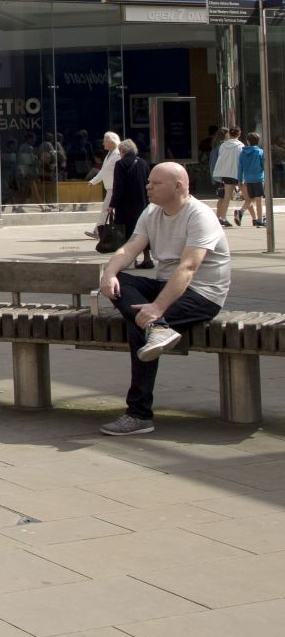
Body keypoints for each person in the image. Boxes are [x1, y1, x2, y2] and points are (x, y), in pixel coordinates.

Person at [98, 162, 230, 436]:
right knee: (122, 284)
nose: (148, 186)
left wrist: (158, 308)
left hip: (202, 294)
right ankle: (158, 329)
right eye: (149, 182)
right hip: (165, 286)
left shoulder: (200, 216)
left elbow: (189, 268)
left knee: (139, 323)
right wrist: (109, 273)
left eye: (155, 183)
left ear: (178, 186)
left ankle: (139, 414)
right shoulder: (152, 212)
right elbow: (131, 248)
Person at [110, 138, 153, 270]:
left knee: (125, 232)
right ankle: (147, 258)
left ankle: (128, 259)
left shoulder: (120, 164)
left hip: (126, 204)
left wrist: (112, 204)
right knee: (144, 230)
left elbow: (118, 187)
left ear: (122, 151)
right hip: (143, 202)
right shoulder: (144, 163)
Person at [85, 131, 121, 238]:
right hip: (110, 187)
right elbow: (103, 171)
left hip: (115, 187)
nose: (103, 144)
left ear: (111, 142)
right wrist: (93, 181)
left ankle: (98, 231)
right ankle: (100, 231)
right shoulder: (109, 154)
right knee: (108, 209)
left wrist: (93, 181)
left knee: (106, 208)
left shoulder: (118, 154)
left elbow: (107, 171)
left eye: (105, 141)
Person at [213, 125, 244, 228]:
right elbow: (241, 161)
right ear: (239, 135)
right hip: (237, 173)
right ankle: (254, 217)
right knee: (248, 196)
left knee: (226, 197)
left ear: (229, 134)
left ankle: (223, 217)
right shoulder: (241, 146)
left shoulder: (223, 146)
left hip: (226, 174)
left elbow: (221, 158)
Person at [235, 131, 267, 228]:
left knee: (250, 199)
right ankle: (260, 220)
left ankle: (241, 211)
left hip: (247, 179)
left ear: (248, 142)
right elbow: (263, 165)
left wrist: (239, 180)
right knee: (259, 200)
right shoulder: (260, 152)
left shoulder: (242, 153)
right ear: (258, 141)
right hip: (258, 178)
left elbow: (240, 167)